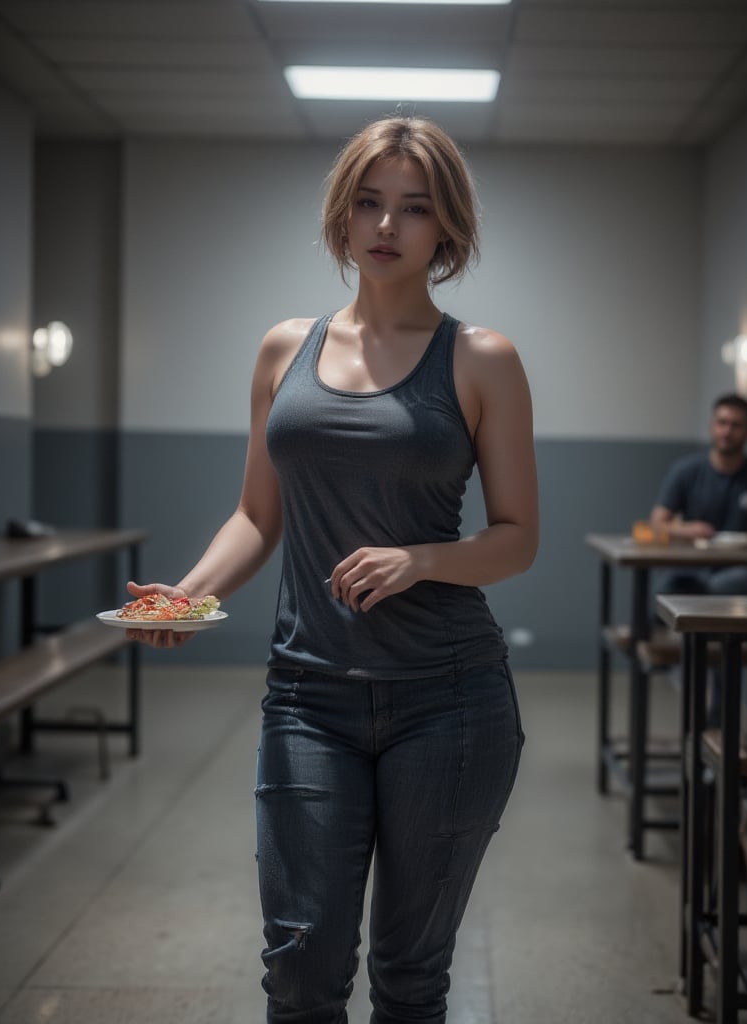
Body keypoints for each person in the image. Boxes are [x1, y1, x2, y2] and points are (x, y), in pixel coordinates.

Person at [125, 115, 538, 1023]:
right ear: (343, 217)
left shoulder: (482, 361)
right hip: (309, 697)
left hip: (450, 699)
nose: (387, 226)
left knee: (409, 976)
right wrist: (188, 595)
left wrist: (421, 558)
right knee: (303, 971)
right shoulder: (286, 349)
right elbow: (255, 515)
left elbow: (517, 537)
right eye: (369, 203)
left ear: (448, 230)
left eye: (414, 209)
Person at [651, 392, 747, 597]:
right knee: (666, 588)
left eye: (736, 425)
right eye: (722, 423)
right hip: (690, 566)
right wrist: (686, 530)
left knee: (723, 586)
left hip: (743, 568)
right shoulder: (686, 470)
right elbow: (657, 523)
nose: (727, 432)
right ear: (712, 425)